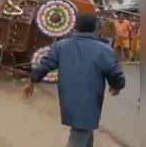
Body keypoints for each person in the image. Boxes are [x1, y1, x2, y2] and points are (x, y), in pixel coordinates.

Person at [25, 14, 126, 147]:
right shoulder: (104, 50)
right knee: (80, 134)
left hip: (68, 97)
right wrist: (117, 86)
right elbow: (114, 73)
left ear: (76, 27)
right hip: (90, 99)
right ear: (96, 28)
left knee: (85, 131)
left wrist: (32, 80)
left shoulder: (60, 46)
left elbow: (45, 65)